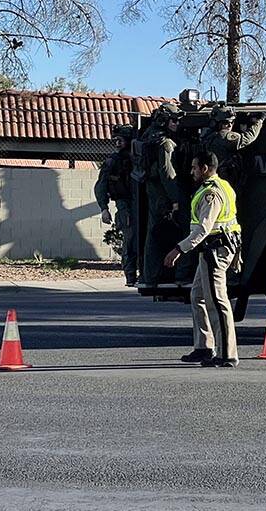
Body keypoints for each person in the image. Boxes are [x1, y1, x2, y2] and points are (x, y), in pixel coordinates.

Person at [163, 150, 242, 368]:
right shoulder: (220, 186)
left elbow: (204, 228)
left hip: (215, 250)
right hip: (214, 250)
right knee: (197, 294)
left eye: (194, 167)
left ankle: (227, 354)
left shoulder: (212, 194)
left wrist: (179, 249)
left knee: (217, 300)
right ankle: (204, 347)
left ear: (205, 169)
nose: (192, 171)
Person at [140, 103, 189, 285]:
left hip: (154, 193)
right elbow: (168, 173)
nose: (177, 124)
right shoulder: (166, 143)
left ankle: (151, 275)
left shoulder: (150, 137)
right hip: (163, 195)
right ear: (164, 121)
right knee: (182, 230)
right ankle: (179, 274)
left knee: (153, 234)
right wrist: (176, 200)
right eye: (174, 120)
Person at [95, 124, 138, 286]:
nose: (117, 143)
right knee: (130, 241)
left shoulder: (137, 158)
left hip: (140, 205)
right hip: (124, 205)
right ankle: (131, 275)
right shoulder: (113, 161)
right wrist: (104, 208)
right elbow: (101, 185)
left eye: (120, 140)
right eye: (115, 140)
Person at [200, 106, 265, 182]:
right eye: (226, 123)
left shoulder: (207, 136)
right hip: (225, 177)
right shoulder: (225, 136)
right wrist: (260, 121)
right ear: (217, 123)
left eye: (232, 122)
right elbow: (248, 137)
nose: (230, 125)